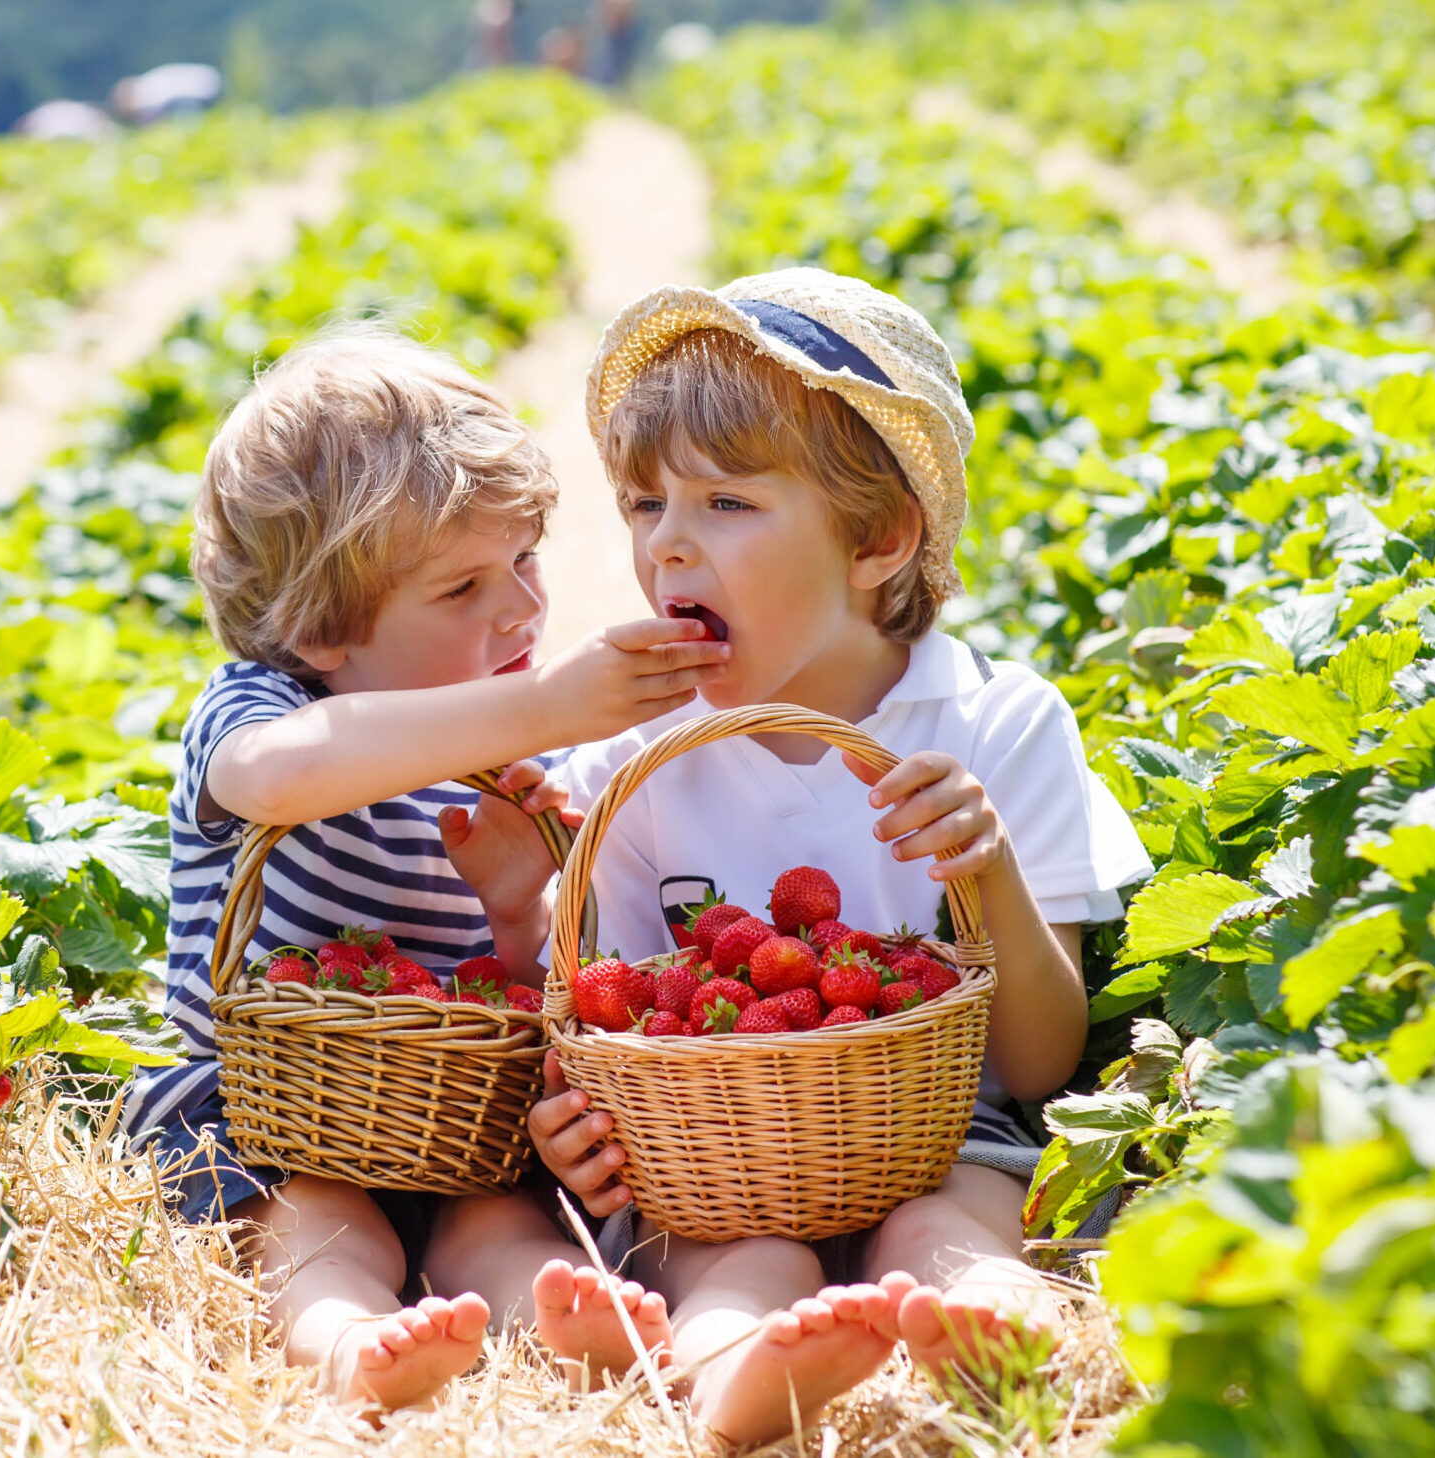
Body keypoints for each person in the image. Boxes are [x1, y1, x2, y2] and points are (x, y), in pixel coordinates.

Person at [475, 269, 1153, 1445]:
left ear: (878, 539)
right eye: (644, 506)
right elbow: (616, 1027)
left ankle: (989, 1328)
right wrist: (571, 1111)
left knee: (945, 1229)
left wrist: (980, 867)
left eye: (726, 504)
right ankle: (734, 1374)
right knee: (738, 1258)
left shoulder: (995, 729)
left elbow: (1039, 1067)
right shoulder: (635, 758)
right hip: (717, 1165)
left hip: (943, 1139)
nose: (669, 548)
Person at [120, 326, 731, 1412]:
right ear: (319, 630)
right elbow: (274, 778)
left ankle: (555, 1320)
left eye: (526, 560)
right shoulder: (264, 711)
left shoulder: (504, 761)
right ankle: (350, 1339)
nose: (522, 610)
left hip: (447, 1129)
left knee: (493, 1223)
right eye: (460, 591)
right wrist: (538, 706)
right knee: (317, 1224)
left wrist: (515, 906)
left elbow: (516, 984)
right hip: (270, 1116)